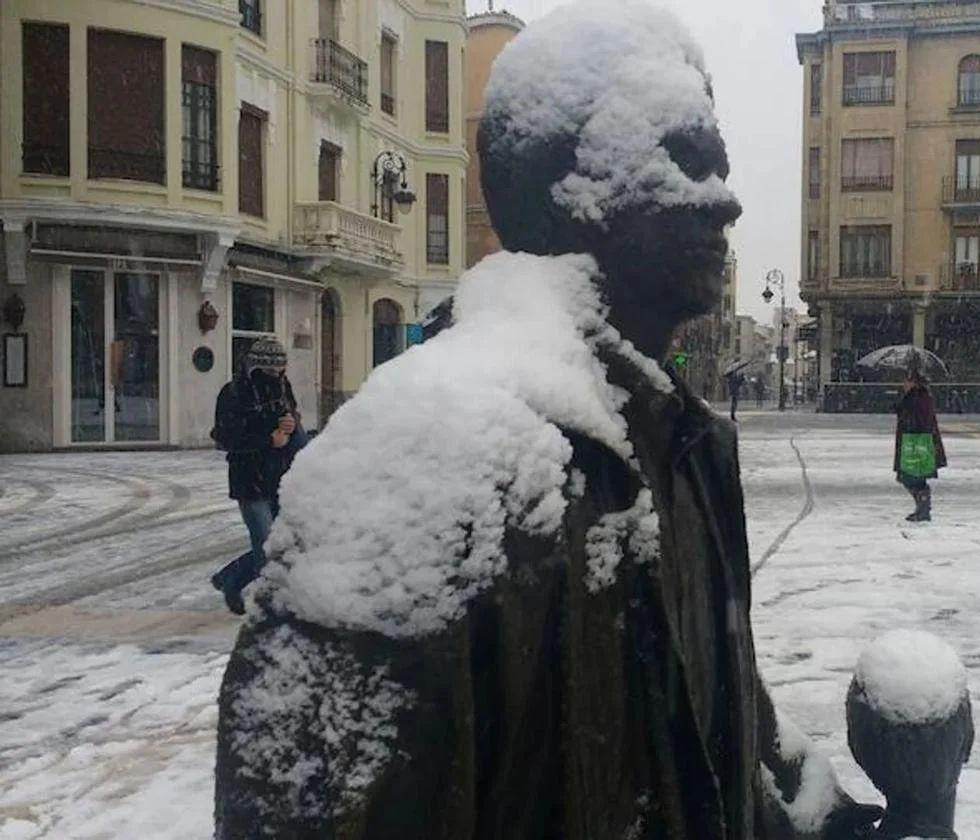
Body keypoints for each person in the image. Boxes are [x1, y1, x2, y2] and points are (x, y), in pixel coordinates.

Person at [214, 4, 881, 838]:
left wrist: (838, 823)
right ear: (574, 191)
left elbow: (725, 740)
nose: (728, 200)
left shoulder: (690, 446)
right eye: (688, 161)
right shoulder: (433, 459)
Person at [209, 337, 307, 615]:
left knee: (280, 545)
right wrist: (267, 439)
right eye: (271, 371)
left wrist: (292, 424)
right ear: (257, 368)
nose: (276, 375)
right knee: (266, 545)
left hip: (279, 477)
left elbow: (291, 421)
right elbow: (224, 436)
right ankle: (269, 609)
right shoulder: (234, 392)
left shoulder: (283, 387)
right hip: (249, 478)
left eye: (280, 370)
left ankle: (232, 577)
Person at [894, 367, 947, 523]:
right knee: (910, 475)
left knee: (912, 476)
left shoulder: (921, 397)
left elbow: (921, 419)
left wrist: (906, 411)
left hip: (917, 442)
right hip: (912, 441)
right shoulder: (913, 396)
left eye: (907, 381)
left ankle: (923, 506)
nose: (904, 384)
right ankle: (922, 506)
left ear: (914, 382)